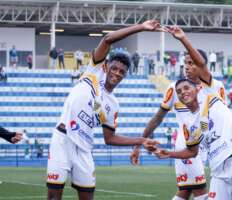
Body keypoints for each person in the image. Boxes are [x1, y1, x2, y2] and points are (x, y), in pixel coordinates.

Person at [46, 20, 161, 200]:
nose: (117, 73)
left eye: (122, 71)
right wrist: (141, 27)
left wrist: (141, 140)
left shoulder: (113, 104)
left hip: (84, 149)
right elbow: (107, 39)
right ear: (106, 66)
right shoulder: (94, 72)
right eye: (114, 68)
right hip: (63, 139)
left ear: (125, 75)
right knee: (53, 196)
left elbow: (110, 138)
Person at [131, 26, 225, 200]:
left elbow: (223, 118)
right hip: (187, 143)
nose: (187, 67)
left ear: (201, 65)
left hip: (211, 145)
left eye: (192, 63)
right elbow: (158, 118)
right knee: (199, 191)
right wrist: (139, 143)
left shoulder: (216, 87)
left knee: (185, 191)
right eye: (186, 63)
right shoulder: (175, 88)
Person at [154, 79, 232, 200]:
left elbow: (201, 66)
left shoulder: (211, 97)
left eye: (187, 88)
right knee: (190, 191)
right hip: (217, 168)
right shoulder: (189, 125)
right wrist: (169, 154)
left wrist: (192, 61)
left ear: (198, 89)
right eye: (179, 91)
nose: (183, 92)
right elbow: (192, 152)